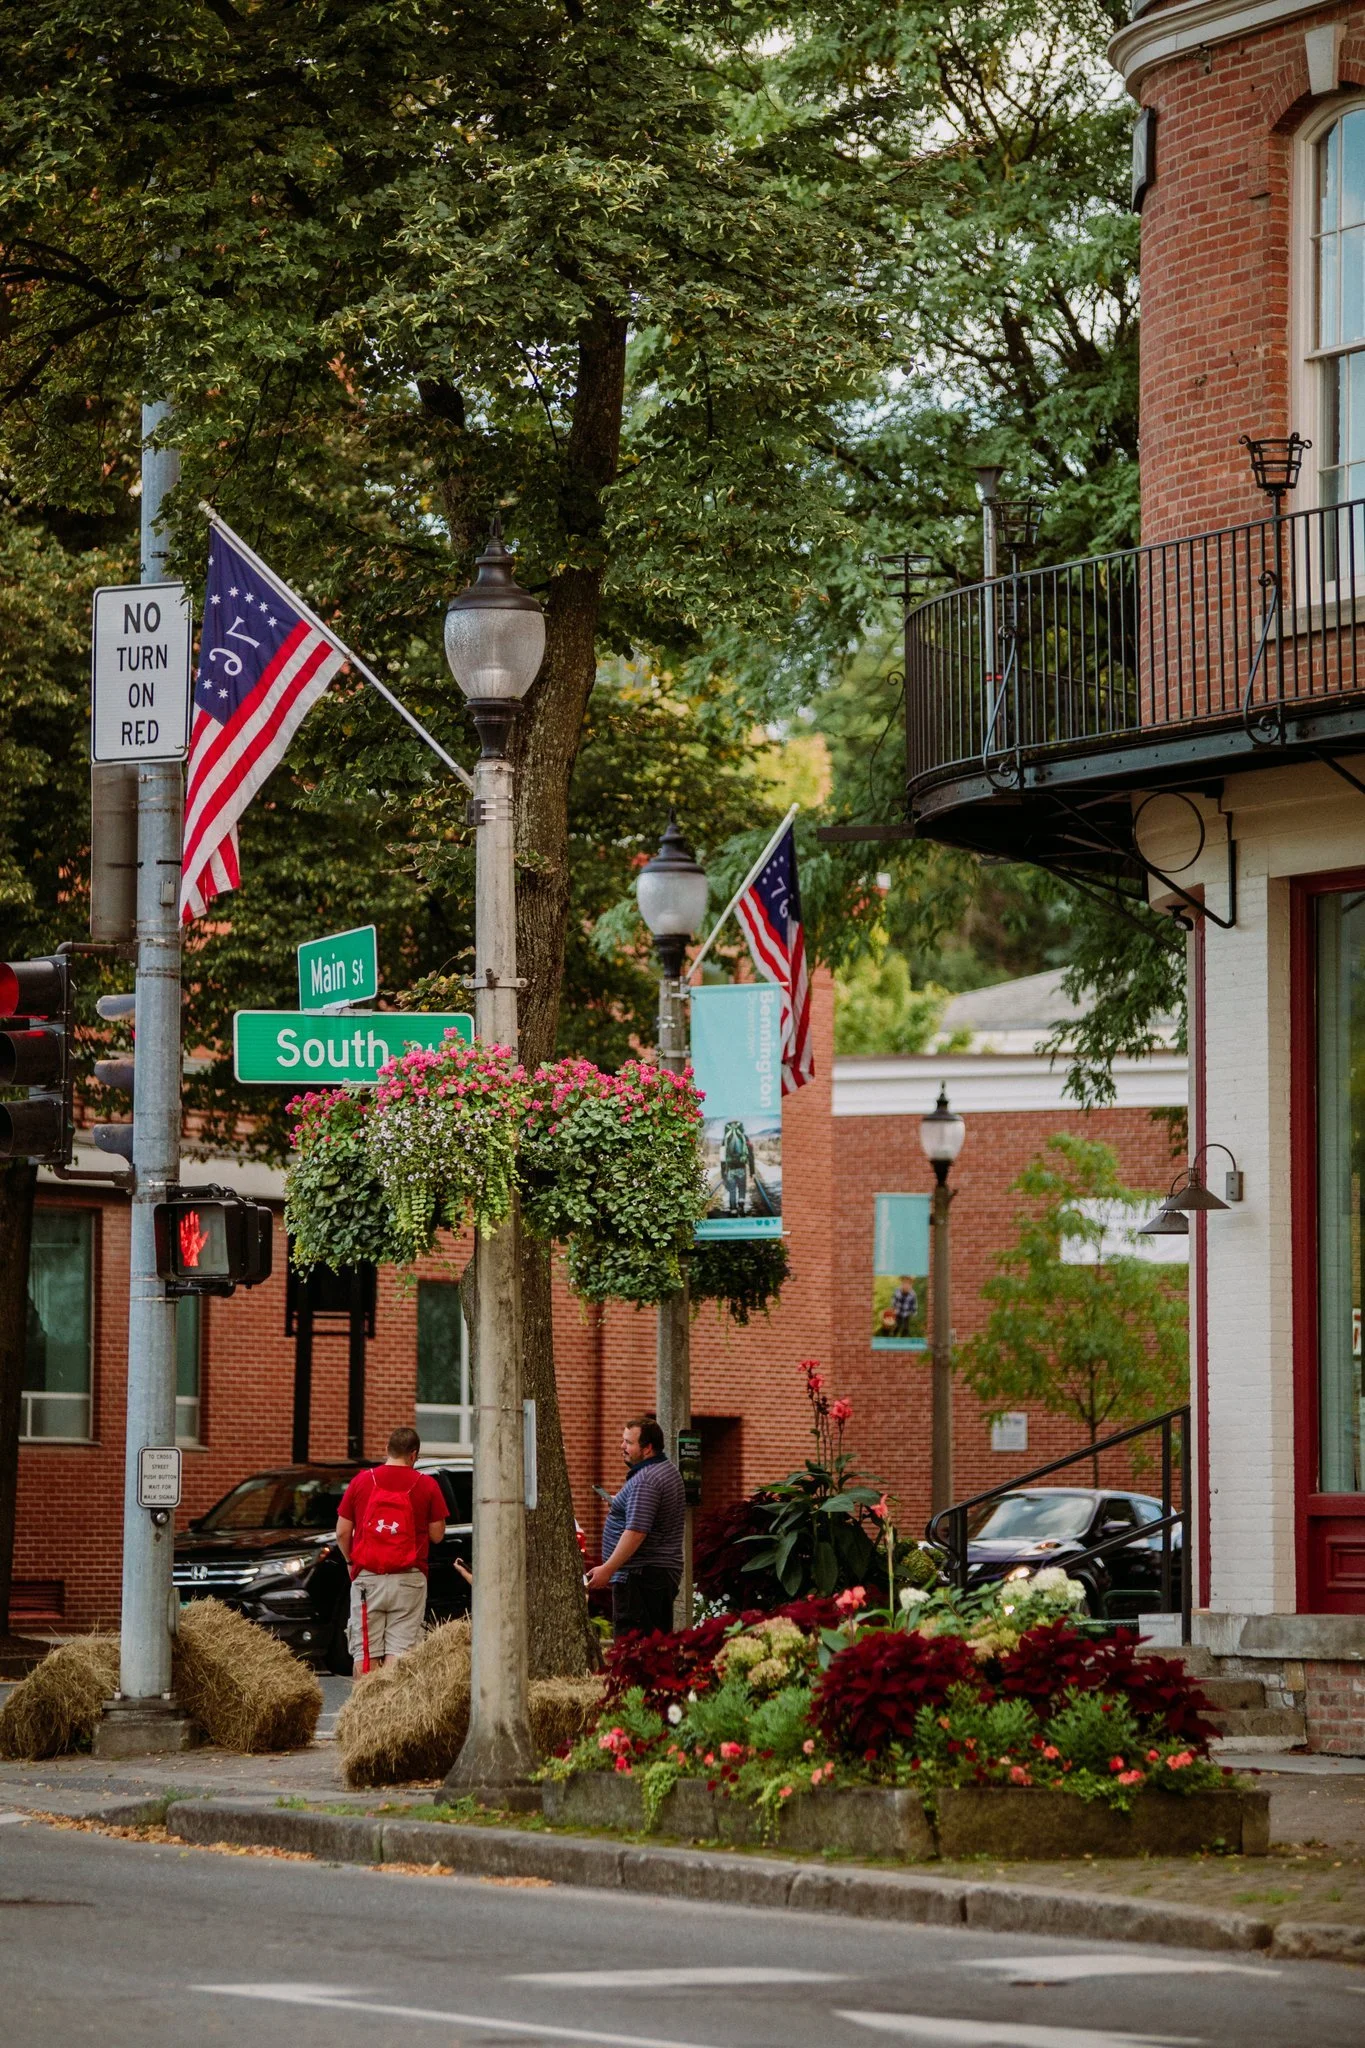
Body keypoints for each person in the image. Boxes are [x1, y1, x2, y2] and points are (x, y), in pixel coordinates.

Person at [335, 1426, 447, 1675]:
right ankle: (391, 1710)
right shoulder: (427, 1485)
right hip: (409, 1580)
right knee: (401, 1653)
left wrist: (349, 1561)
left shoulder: (362, 1481)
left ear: (387, 1449)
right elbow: (437, 1535)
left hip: (368, 1579)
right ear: (414, 1455)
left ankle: (365, 1711)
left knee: (365, 1653)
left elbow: (342, 1532)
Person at [584, 1415, 686, 1636]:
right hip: (655, 1575)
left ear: (648, 1448)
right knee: (654, 1647)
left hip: (641, 1577)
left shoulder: (646, 1480)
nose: (622, 1446)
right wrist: (621, 1502)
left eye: (629, 1442)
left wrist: (608, 1569)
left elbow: (636, 1532)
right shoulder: (666, 1470)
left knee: (634, 1647)